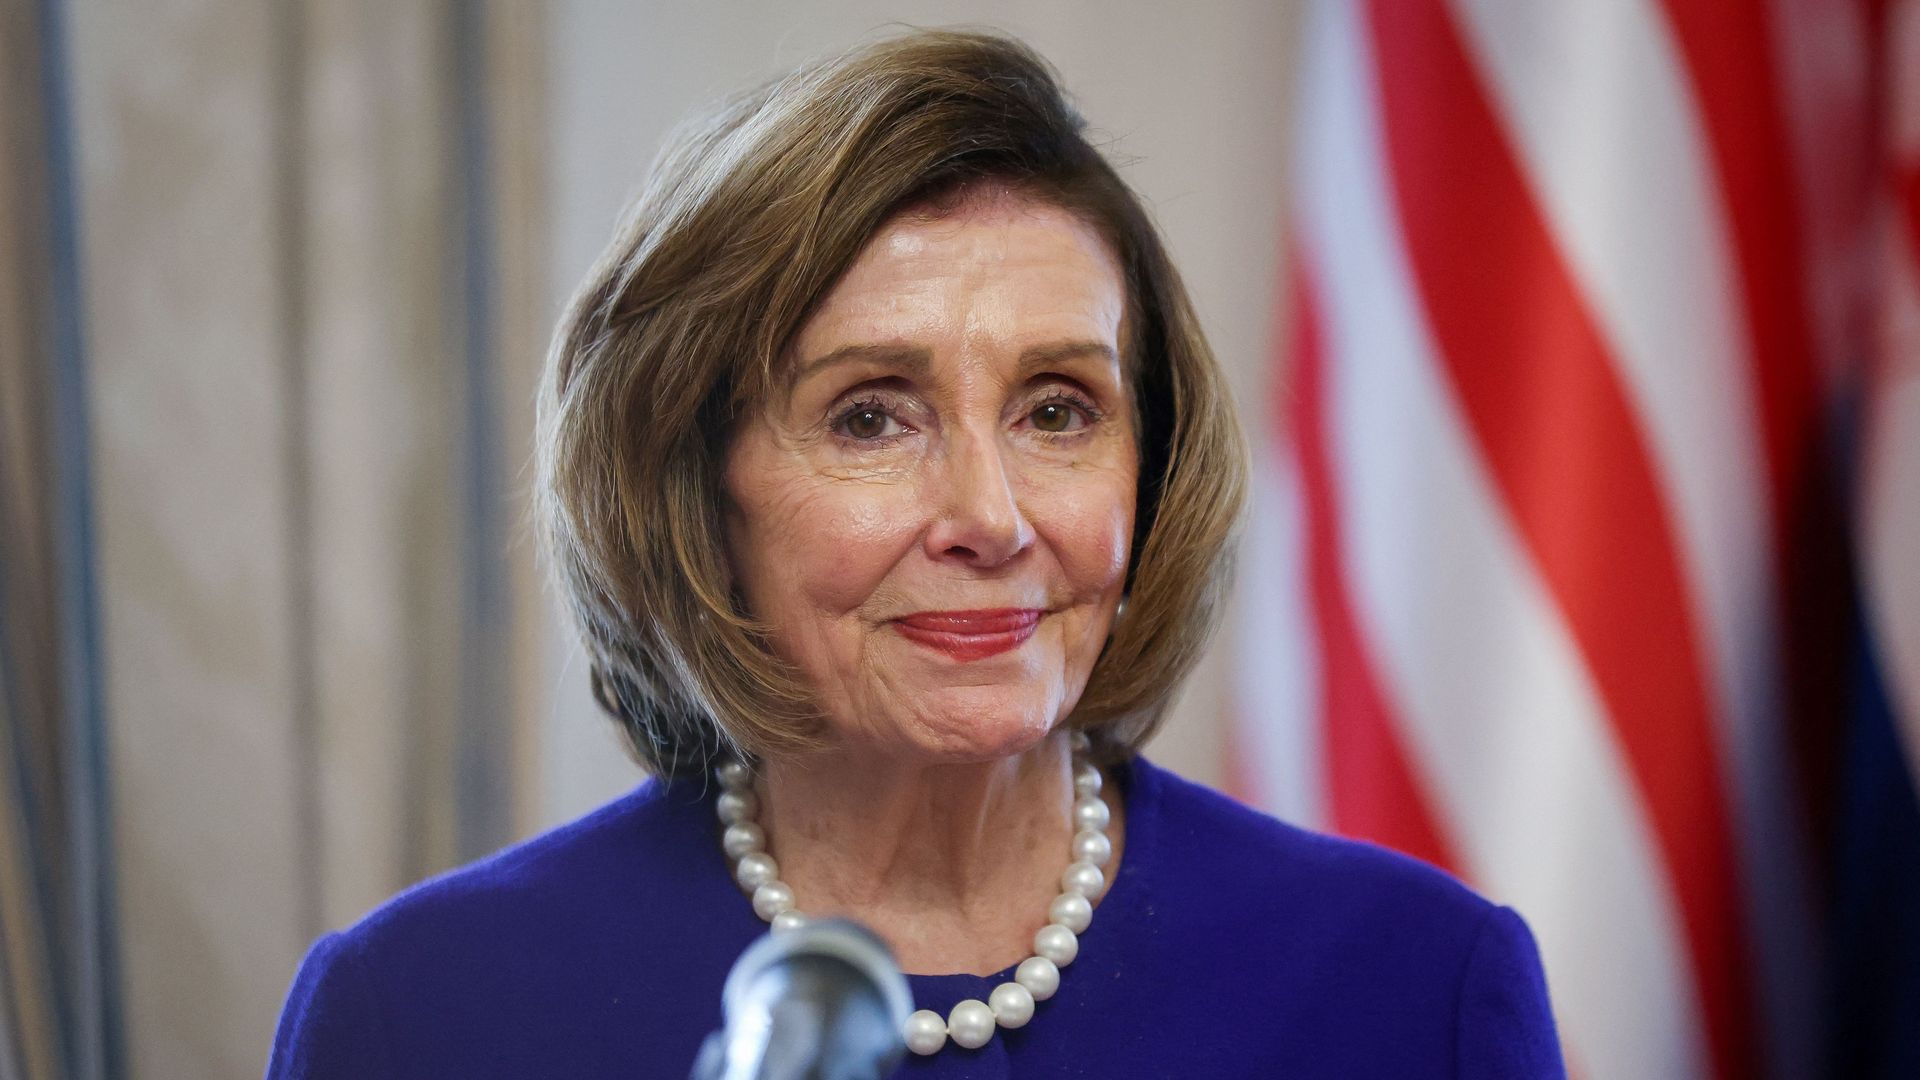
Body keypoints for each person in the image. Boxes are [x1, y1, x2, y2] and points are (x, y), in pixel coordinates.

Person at [265, 27, 1565, 1078]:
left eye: (1059, 411)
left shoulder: (1416, 987)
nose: (991, 520)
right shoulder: (422, 1014)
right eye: (871, 415)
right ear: (693, 484)